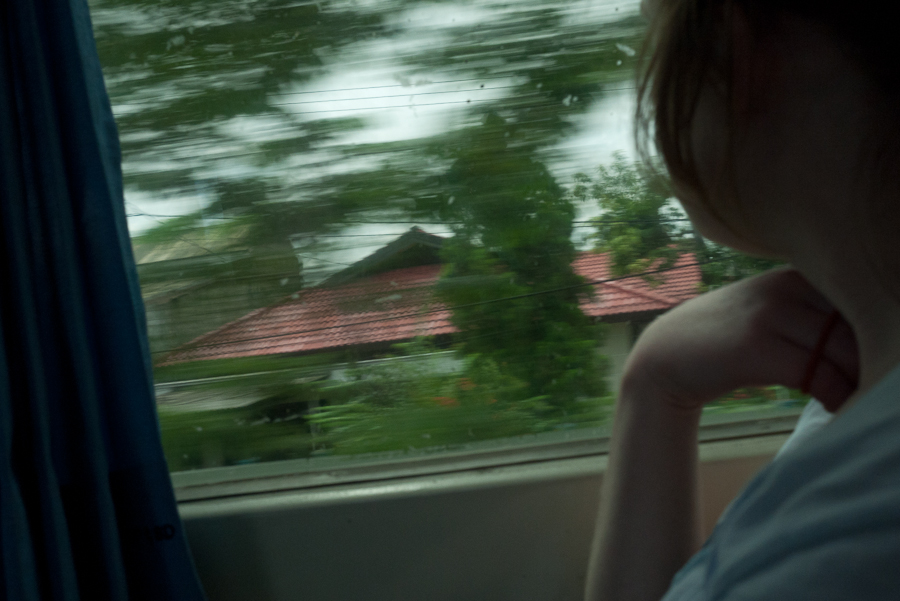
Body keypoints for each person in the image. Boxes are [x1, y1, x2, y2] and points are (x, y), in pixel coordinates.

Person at [584, 1, 900, 600]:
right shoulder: (861, 402)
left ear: (737, 47)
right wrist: (654, 383)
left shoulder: (847, 538)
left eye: (659, 31)